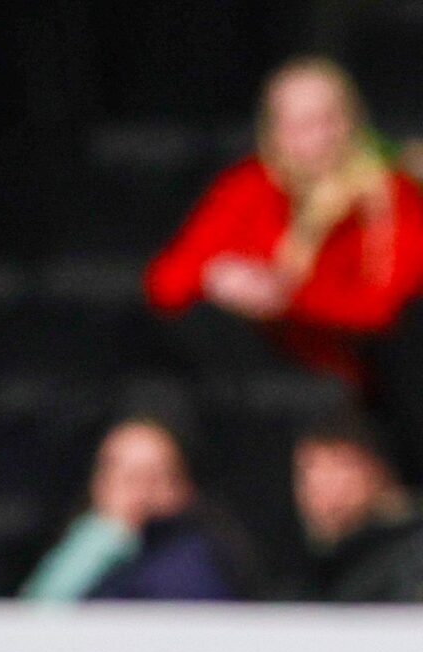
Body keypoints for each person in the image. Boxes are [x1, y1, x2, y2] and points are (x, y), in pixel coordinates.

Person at [146, 59, 423, 456]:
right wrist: (218, 278)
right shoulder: (249, 186)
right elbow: (165, 282)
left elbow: (386, 309)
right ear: (272, 130)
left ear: (352, 121)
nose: (315, 139)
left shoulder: (388, 194)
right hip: (253, 373)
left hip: (354, 381)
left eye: (327, 120)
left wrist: (286, 296)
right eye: (297, 125)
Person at [21, 417, 255, 602]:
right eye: (127, 477)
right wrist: (106, 534)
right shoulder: (86, 542)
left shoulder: (197, 559)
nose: (140, 493)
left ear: (183, 487)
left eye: (153, 477)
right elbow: (37, 615)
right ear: (98, 483)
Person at [294, 412, 423, 602]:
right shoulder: (308, 571)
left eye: (338, 467)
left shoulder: (406, 559)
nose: (322, 488)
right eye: (308, 471)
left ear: (378, 472)